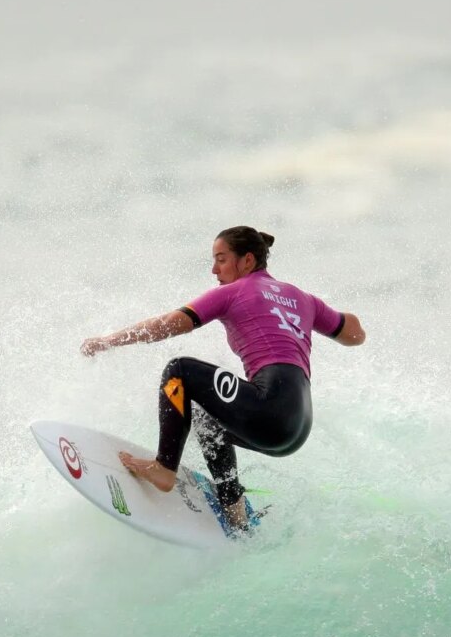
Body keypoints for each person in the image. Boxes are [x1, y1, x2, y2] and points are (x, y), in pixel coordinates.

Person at [80, 225, 366, 530]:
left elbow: (166, 325)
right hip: (295, 428)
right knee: (207, 417)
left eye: (222, 259)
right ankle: (234, 509)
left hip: (268, 410)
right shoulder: (303, 298)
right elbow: (354, 334)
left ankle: (164, 469)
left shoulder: (234, 292)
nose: (214, 269)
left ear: (247, 261)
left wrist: (107, 341)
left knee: (179, 370)